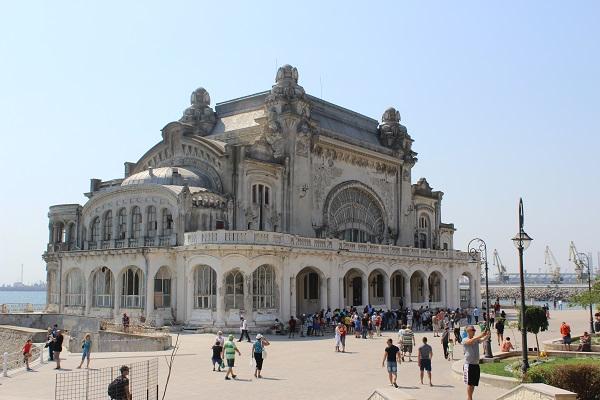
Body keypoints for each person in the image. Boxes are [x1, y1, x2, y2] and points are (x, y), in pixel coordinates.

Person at [463, 325, 491, 400]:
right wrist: (480, 336)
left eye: (474, 330)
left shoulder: (476, 339)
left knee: (473, 383)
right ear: (468, 331)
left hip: (476, 364)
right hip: (469, 364)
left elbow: (482, 340)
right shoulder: (465, 339)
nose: (474, 331)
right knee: (470, 383)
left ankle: (469, 398)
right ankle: (469, 398)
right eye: (473, 330)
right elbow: (470, 341)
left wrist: (487, 335)